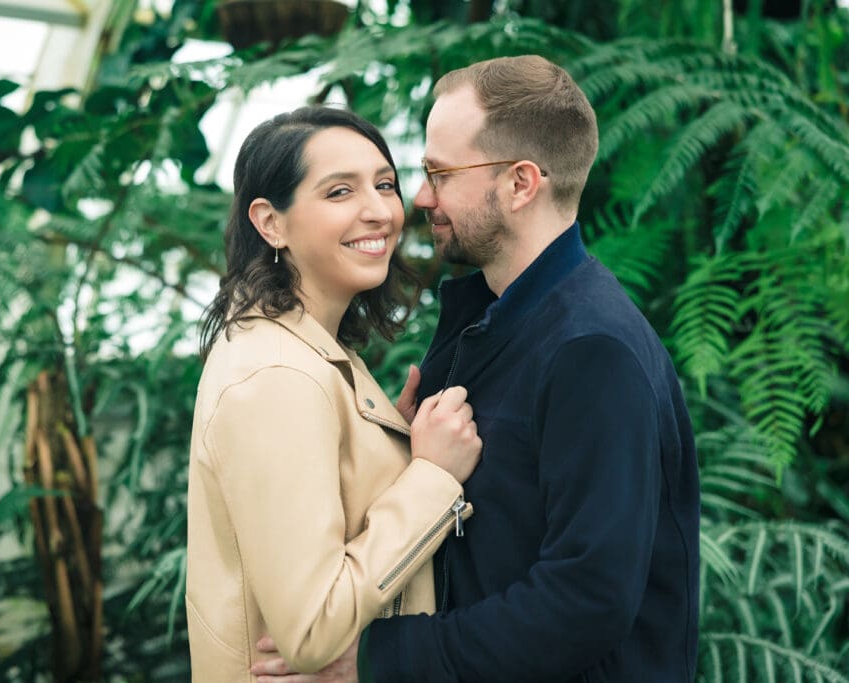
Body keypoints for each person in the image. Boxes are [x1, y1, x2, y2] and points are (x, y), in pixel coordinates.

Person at [252, 55, 700, 682]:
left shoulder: (594, 352)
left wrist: (379, 660)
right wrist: (394, 454)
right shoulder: (479, 320)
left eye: (440, 172)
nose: (420, 196)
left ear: (520, 184)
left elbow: (587, 600)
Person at [186, 106, 484, 682]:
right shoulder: (276, 376)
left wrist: (384, 448)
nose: (378, 212)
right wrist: (433, 478)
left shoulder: (304, 347)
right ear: (271, 223)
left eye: (385, 185)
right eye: (340, 191)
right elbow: (311, 629)